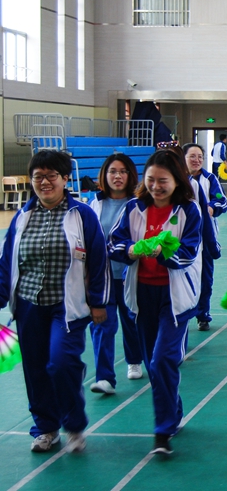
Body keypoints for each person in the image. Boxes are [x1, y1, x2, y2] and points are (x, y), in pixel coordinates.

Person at [0, 150, 109, 454]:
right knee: (35, 369)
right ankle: (46, 428)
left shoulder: (82, 214)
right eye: (38, 176)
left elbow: (97, 261)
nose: (44, 182)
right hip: (28, 306)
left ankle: (74, 425)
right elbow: (7, 263)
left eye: (51, 176)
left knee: (61, 363)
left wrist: (98, 302)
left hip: (68, 307)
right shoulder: (22, 217)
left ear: (65, 179)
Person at [109, 149, 202, 456]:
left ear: (176, 181)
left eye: (163, 181)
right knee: (152, 362)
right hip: (141, 294)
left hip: (174, 298)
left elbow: (188, 253)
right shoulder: (134, 208)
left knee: (163, 358)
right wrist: (132, 249)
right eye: (150, 180)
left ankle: (162, 430)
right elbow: (114, 242)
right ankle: (173, 410)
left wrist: (163, 250)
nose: (156, 186)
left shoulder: (189, 211)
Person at [89, 154, 144, 395]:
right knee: (102, 325)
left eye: (122, 171)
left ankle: (134, 360)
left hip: (130, 274)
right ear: (105, 175)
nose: (118, 176)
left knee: (131, 321)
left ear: (131, 175)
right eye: (113, 171)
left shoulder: (139, 204)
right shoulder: (94, 205)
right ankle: (105, 378)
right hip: (102, 278)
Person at [183, 143, 227, 331]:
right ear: (184, 158)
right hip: (183, 239)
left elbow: (222, 201)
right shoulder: (178, 180)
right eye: (192, 156)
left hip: (205, 239)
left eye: (200, 157)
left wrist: (211, 206)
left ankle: (203, 314)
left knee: (206, 279)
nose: (197, 160)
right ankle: (184, 312)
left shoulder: (210, 179)